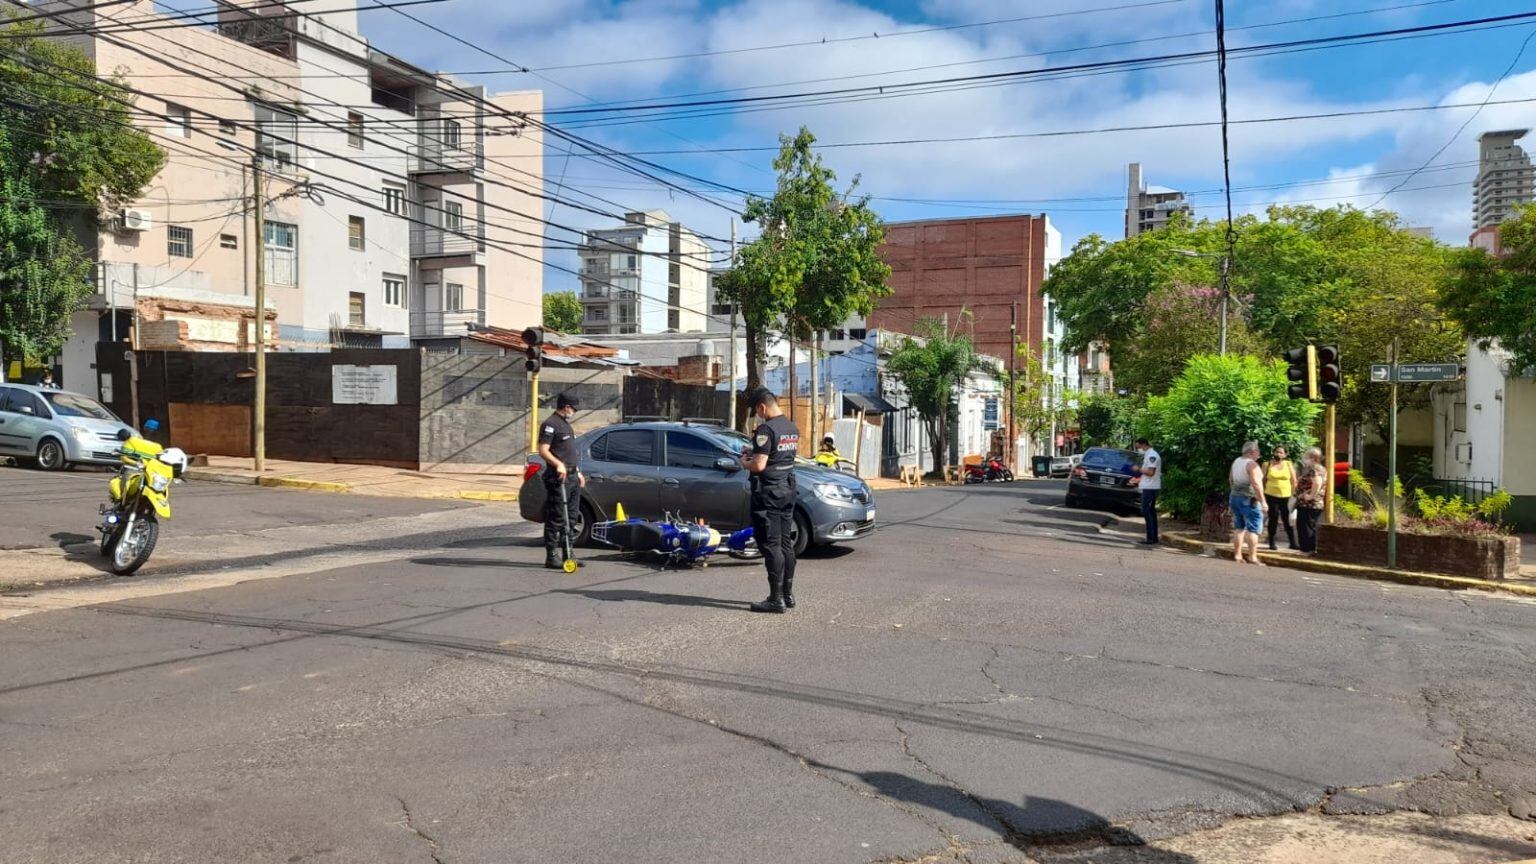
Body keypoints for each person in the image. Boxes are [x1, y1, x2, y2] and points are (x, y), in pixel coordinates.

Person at [742, 388, 800, 614]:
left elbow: (759, 465)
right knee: (786, 544)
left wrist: (744, 462)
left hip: (769, 495)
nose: (759, 415)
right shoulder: (790, 427)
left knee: (771, 545)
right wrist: (754, 449)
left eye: (758, 411)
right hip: (787, 490)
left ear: (762, 407)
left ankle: (775, 600)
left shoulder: (766, 429)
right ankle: (787, 594)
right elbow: (778, 455)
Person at [536, 393, 585, 571]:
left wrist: (577, 472)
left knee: (571, 518)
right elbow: (543, 450)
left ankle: (568, 553)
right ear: (566, 406)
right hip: (559, 478)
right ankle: (551, 556)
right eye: (573, 408)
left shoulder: (565, 425)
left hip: (572, 477)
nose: (574, 411)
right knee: (556, 518)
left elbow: (568, 452)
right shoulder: (550, 424)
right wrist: (558, 465)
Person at [1230, 441, 1268, 566]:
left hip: (1235, 496)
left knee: (1239, 527)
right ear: (1252, 452)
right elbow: (1256, 484)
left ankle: (1237, 554)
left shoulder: (1236, 461)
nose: (1259, 454)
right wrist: (1263, 501)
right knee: (1253, 528)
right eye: (1257, 451)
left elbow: (1230, 479)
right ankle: (1252, 557)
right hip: (1249, 498)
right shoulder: (1252, 465)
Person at [1263, 445, 1299, 551]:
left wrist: (1294, 494)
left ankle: (1293, 542)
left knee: (1287, 519)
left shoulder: (1288, 464)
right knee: (1273, 518)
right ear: (1273, 453)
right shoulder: (1267, 464)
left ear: (1285, 455)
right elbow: (1263, 480)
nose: (1278, 454)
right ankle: (1271, 542)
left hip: (1286, 496)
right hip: (1271, 495)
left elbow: (1294, 480)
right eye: (1277, 452)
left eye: (1281, 452)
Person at [1294, 447, 1328, 554]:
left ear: (1313, 458)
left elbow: (1317, 482)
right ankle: (1309, 549)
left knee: (1306, 527)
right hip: (1311, 504)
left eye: (1306, 456)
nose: (1304, 458)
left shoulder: (1315, 469)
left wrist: (1310, 496)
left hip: (1309, 504)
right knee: (1309, 526)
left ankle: (1307, 549)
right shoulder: (1320, 468)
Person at [1131, 437, 1161, 546]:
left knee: (1146, 511)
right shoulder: (1148, 455)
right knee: (1151, 512)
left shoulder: (1152, 455)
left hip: (1150, 488)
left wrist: (1138, 469)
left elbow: (1150, 472)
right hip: (1149, 486)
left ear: (1144, 444)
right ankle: (1154, 537)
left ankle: (1150, 538)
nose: (1138, 449)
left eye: (1138, 447)